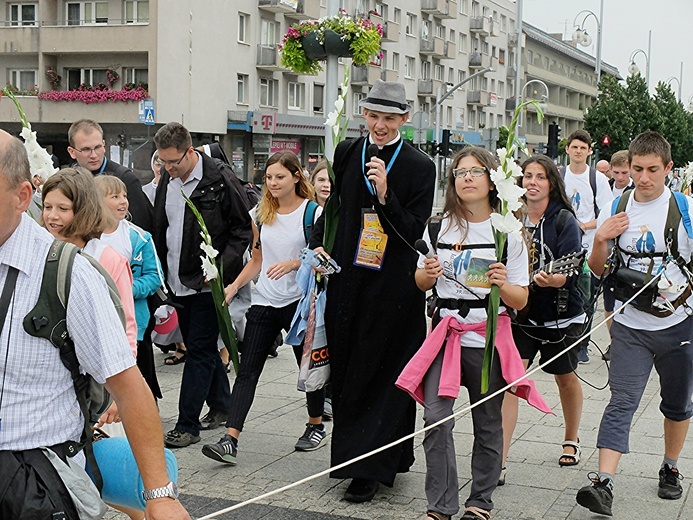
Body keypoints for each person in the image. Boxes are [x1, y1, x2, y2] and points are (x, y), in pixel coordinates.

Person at [0, 129, 190, 519]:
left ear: (21, 196)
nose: (53, 215)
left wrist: (159, 494)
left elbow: (127, 384)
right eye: (48, 206)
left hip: (32, 479)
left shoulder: (68, 273)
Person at [398, 146, 549, 520]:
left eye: (475, 171)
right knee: (435, 418)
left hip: (487, 340)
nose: (466, 177)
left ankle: (480, 501)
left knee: (487, 423)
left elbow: (521, 297)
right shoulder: (437, 227)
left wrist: (502, 284)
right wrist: (426, 275)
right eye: (460, 171)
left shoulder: (508, 232)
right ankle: (441, 505)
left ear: (492, 179)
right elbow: (419, 280)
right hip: (445, 336)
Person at [308, 80, 436, 502]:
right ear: (364, 115)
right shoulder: (347, 152)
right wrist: (318, 244)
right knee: (349, 373)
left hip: (395, 287)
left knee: (386, 373)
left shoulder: (419, 166)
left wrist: (385, 194)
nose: (380, 126)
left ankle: (378, 466)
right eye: (374, 116)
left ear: (404, 119)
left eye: (389, 118)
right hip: (349, 280)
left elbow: (414, 230)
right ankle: (351, 462)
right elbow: (335, 212)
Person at [576, 131, 693, 516]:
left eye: (652, 170)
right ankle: (604, 483)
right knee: (622, 400)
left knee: (677, 403)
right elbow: (598, 270)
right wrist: (600, 240)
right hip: (629, 323)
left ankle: (670, 466)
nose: (643, 178)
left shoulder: (686, 210)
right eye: (638, 169)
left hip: (679, 325)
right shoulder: (617, 204)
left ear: (668, 170)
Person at [201, 150, 326, 464]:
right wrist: (233, 286)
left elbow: (324, 259)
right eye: (268, 177)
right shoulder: (260, 212)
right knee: (247, 372)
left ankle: (315, 425)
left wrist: (295, 262)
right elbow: (256, 260)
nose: (273, 183)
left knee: (308, 369)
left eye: (280, 177)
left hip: (299, 303)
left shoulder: (312, 213)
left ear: (297, 177)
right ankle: (230, 438)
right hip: (265, 300)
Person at [152, 122, 252, 448]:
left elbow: (242, 230)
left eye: (174, 162)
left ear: (190, 151)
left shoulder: (219, 178)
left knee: (197, 350)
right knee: (204, 349)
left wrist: (221, 269)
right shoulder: (169, 179)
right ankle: (222, 406)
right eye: (163, 162)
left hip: (207, 283)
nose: (168, 168)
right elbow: (163, 226)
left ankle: (187, 425)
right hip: (175, 280)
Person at [501, 155, 586, 485]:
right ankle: (501, 457)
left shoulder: (563, 220)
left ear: (552, 182)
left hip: (559, 316)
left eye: (540, 176)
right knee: (510, 382)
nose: (532, 182)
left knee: (565, 378)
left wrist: (556, 279)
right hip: (520, 316)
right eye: (527, 176)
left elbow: (572, 270)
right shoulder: (510, 218)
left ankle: (572, 437)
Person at [42, 168, 138, 359]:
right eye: (47, 207)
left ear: (83, 210)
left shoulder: (108, 259)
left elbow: (125, 324)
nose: (52, 216)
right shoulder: (38, 250)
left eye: (63, 209)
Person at [95, 175, 164, 400]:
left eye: (124, 196)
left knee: (140, 380)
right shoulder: (86, 237)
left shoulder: (139, 237)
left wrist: (125, 288)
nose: (123, 201)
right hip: (99, 320)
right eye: (115, 196)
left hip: (135, 322)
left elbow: (156, 277)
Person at [560, 129, 613, 364]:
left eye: (583, 147)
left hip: (589, 247)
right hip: (563, 244)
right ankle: (560, 341)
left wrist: (583, 225)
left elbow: (605, 213)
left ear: (589, 151)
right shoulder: (559, 175)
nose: (579, 151)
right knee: (561, 292)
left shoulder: (597, 179)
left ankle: (583, 344)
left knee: (587, 296)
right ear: (567, 149)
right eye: (575, 147)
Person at [67, 119, 152, 231]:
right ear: (72, 152)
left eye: (97, 147)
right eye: (86, 149)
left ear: (104, 145)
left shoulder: (125, 178)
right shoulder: (68, 181)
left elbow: (143, 228)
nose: (93, 155)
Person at [601, 150, 634, 361]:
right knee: (608, 304)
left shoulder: (634, 192)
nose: (620, 177)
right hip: (607, 254)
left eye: (624, 172)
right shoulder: (605, 189)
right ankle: (615, 341)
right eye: (616, 173)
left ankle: (627, 341)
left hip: (627, 253)